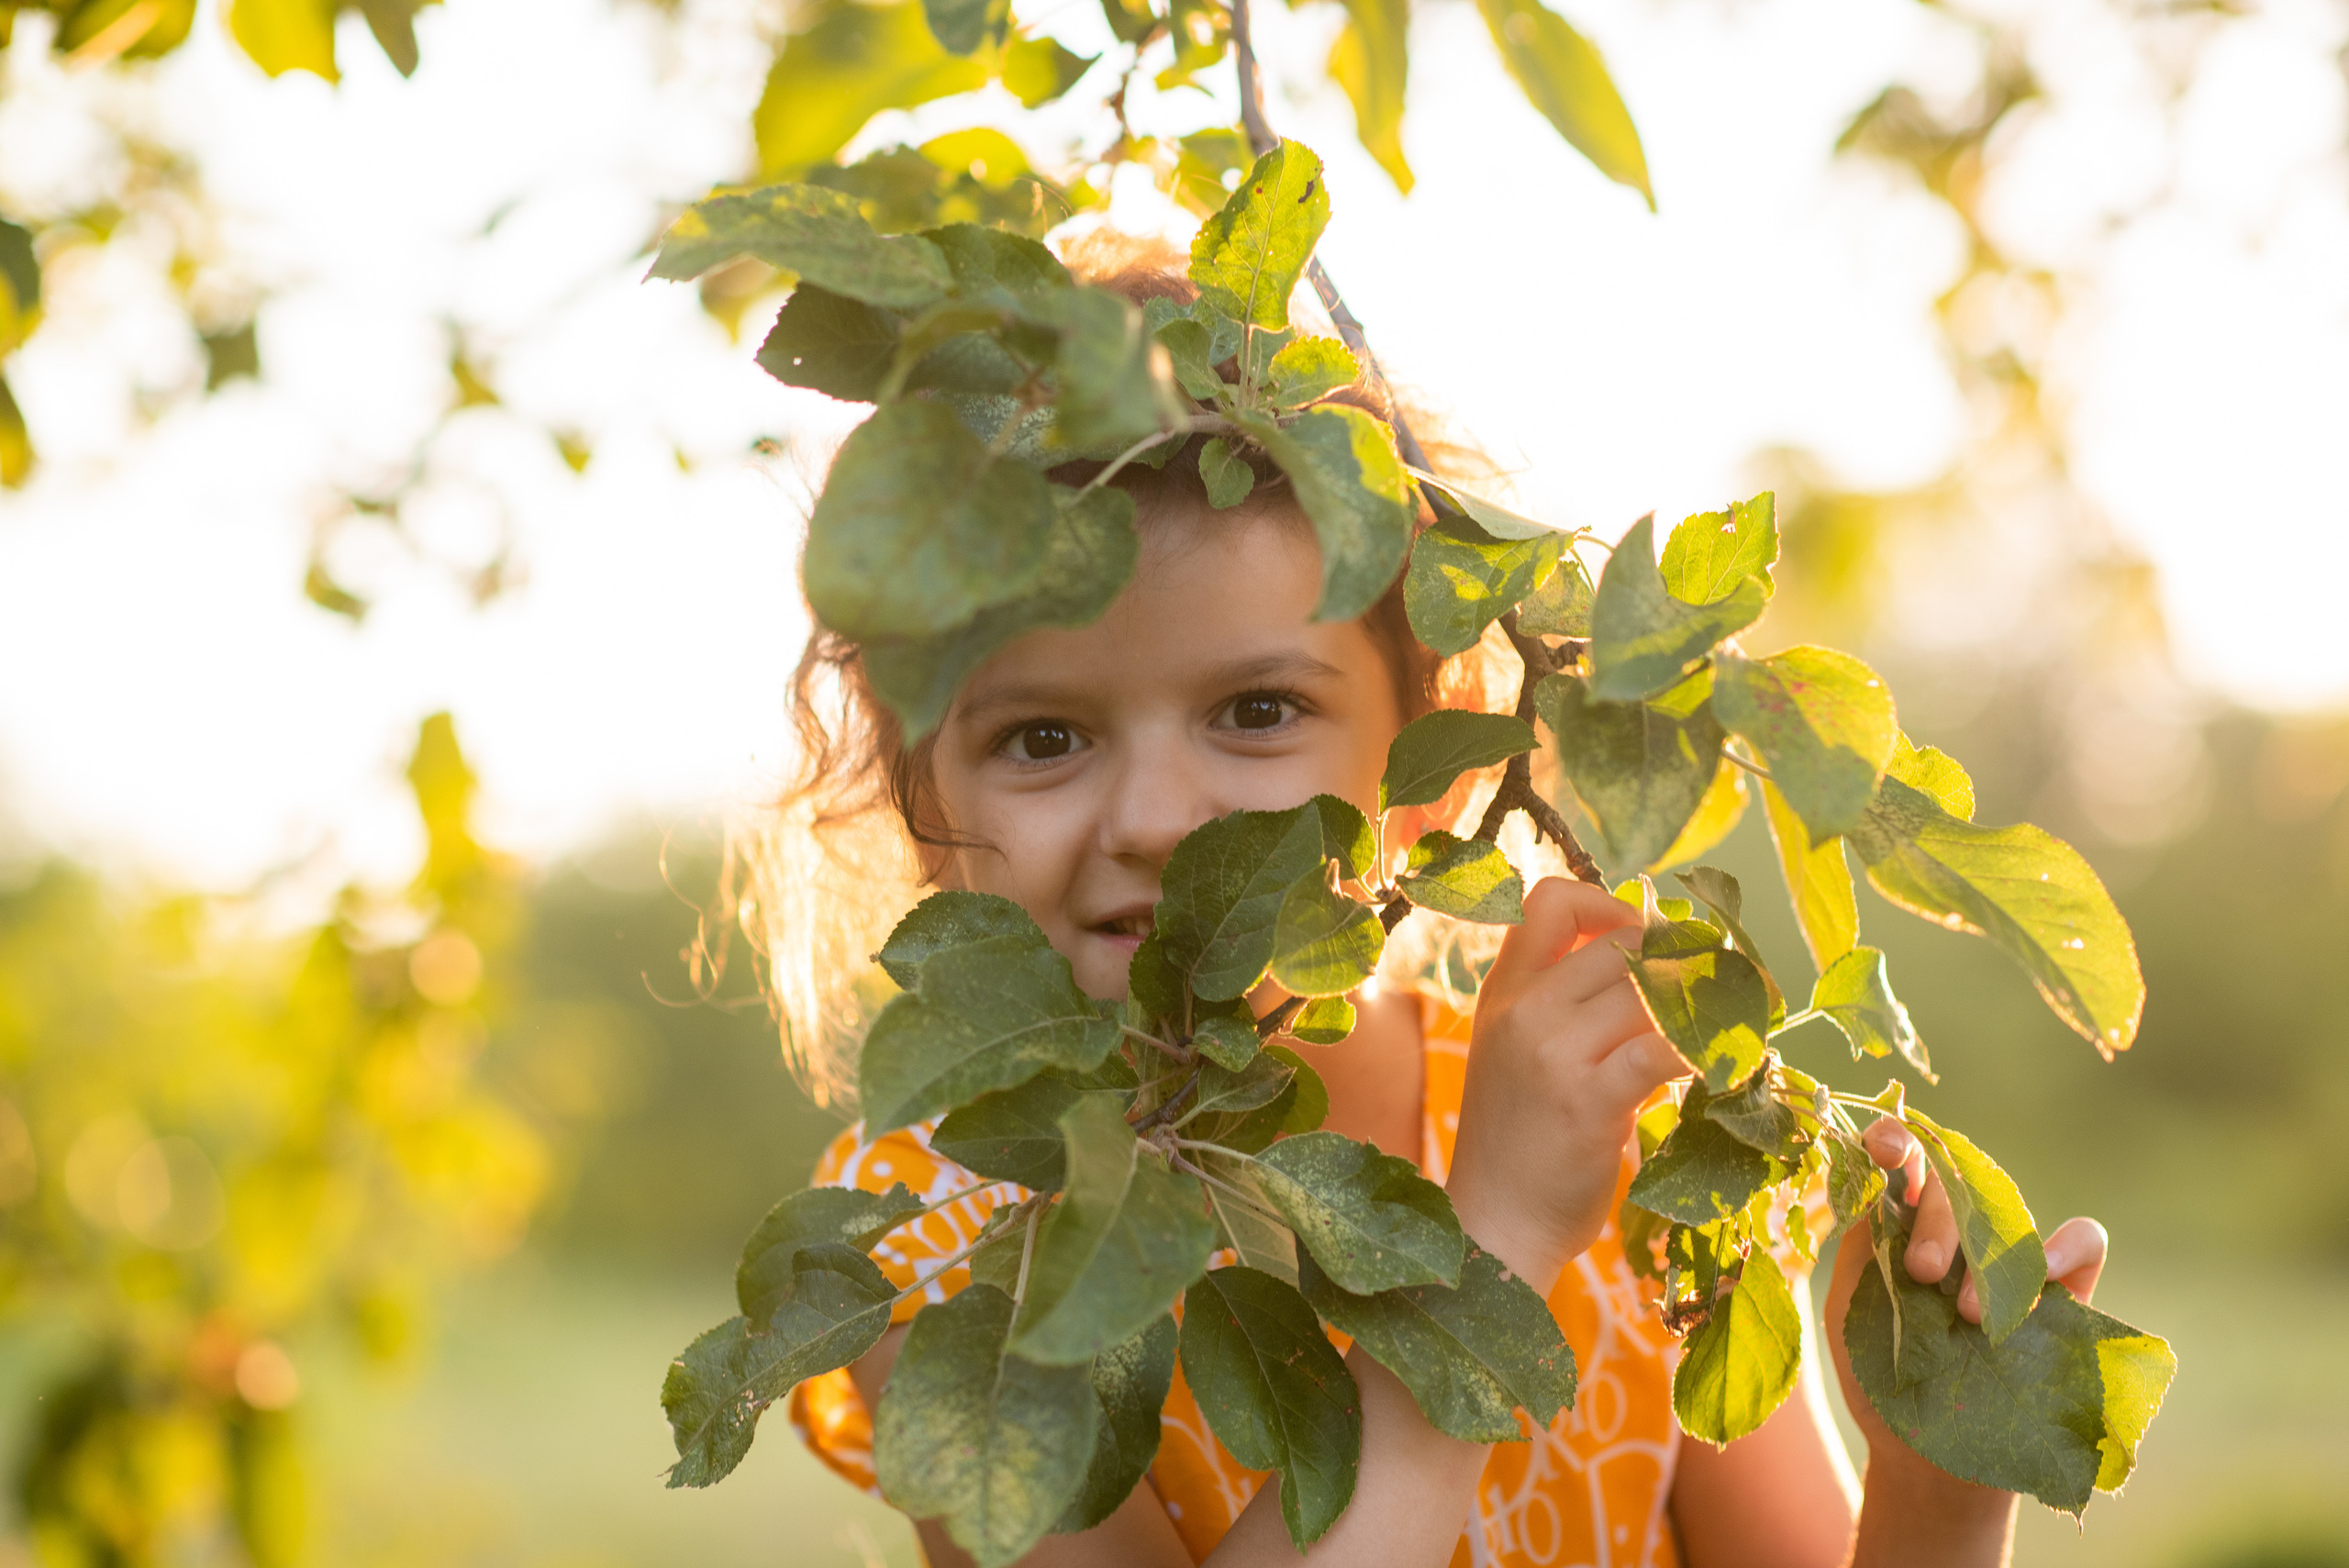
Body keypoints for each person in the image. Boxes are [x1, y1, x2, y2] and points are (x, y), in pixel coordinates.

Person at [734, 235, 2113, 1568]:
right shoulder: (937, 1240)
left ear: (1432, 769)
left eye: (1258, 709)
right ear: (926, 809)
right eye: (1042, 737)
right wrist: (1490, 1249)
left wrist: (1939, 1495)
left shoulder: (1607, 1146)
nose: (1153, 820)